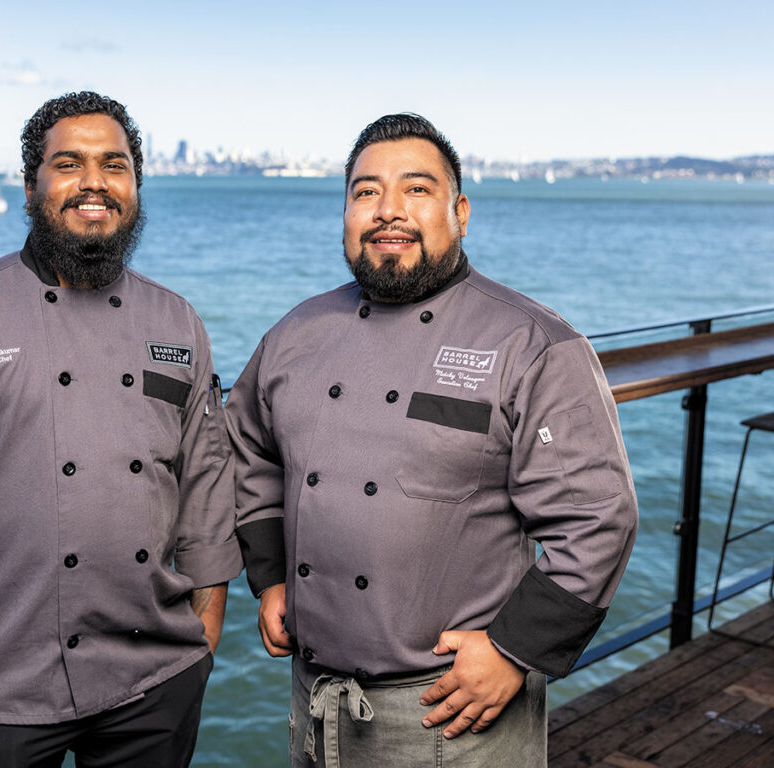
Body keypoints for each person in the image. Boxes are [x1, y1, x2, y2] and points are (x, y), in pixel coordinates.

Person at [226, 113, 638, 767]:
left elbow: (598, 517)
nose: (389, 211)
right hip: (314, 705)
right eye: (366, 192)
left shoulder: (533, 345)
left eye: (417, 189)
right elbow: (247, 447)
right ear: (345, 213)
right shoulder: (294, 334)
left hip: (452, 716)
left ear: (461, 210)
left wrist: (514, 651)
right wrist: (271, 576)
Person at [0, 91, 241, 768]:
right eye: (69, 164)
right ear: (32, 186)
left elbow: (207, 493)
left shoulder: (178, 322)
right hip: (1, 688)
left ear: (136, 185)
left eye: (114, 165)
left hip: (156, 681)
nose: (94, 182)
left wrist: (202, 645)